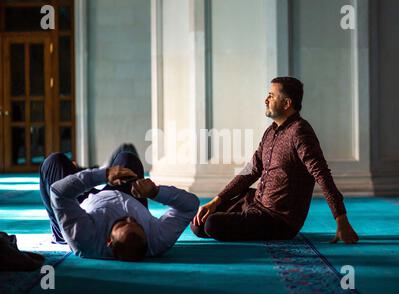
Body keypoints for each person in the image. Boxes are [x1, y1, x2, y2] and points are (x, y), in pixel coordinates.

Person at [191, 77, 359, 245]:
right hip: (254, 203)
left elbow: (321, 174)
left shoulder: (300, 132)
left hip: (278, 220)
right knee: (198, 224)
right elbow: (250, 172)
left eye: (271, 96)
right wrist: (215, 201)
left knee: (212, 225)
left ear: (286, 103)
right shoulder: (270, 132)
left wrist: (341, 219)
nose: (266, 100)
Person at [39, 149, 199, 261]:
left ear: (108, 240)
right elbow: (191, 205)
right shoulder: (157, 240)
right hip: (129, 196)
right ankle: (85, 170)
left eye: (122, 223)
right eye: (137, 223)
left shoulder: (83, 238)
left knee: (54, 161)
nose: (129, 218)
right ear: (147, 239)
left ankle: (59, 234)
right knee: (128, 158)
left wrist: (104, 174)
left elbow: (59, 192)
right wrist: (155, 192)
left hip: (83, 207)